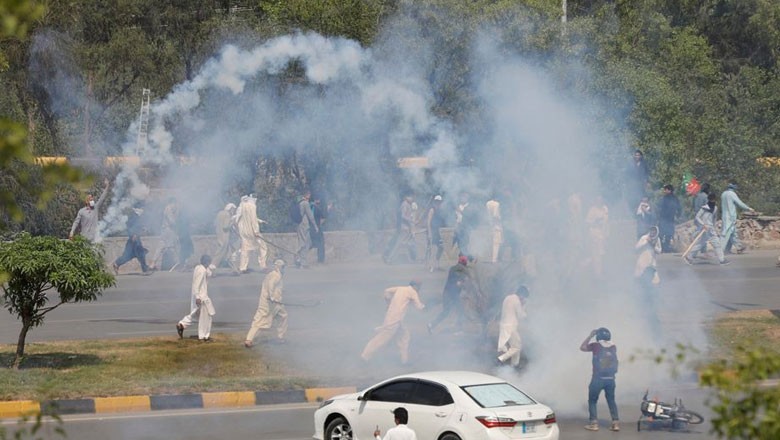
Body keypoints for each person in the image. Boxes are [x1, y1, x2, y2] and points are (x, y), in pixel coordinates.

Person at [360, 281, 425, 365]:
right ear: (415, 286)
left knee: (404, 336)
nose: (419, 289)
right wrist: (427, 307)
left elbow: (386, 291)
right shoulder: (412, 292)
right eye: (419, 286)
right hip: (395, 320)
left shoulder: (401, 288)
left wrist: (388, 303)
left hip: (395, 318)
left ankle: (404, 360)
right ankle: (364, 356)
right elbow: (419, 307)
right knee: (382, 338)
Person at [580, 327, 620, 432]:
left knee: (592, 401)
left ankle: (594, 423)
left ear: (598, 336)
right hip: (611, 379)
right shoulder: (613, 347)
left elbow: (582, 347)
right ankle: (615, 423)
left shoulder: (596, 346)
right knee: (611, 400)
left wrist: (590, 336)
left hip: (598, 379)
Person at [244, 259, 288, 347]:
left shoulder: (272, 274)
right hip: (269, 303)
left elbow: (275, 287)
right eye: (283, 267)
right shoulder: (276, 275)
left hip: (276, 303)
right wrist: (271, 297)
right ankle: (249, 339)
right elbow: (270, 285)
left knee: (283, 316)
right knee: (260, 320)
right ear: (278, 267)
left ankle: (280, 337)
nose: (284, 269)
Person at [175, 255, 216, 342]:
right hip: (202, 297)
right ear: (206, 262)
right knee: (206, 317)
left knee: (196, 315)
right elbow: (196, 285)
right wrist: (198, 297)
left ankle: (181, 324)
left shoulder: (199, 268)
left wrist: (211, 268)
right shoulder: (201, 270)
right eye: (209, 263)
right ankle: (204, 336)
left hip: (200, 296)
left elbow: (209, 274)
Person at [427, 256, 469, 333]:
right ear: (464, 262)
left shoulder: (453, 268)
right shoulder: (463, 270)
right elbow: (460, 283)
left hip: (446, 293)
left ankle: (431, 325)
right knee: (460, 311)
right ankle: (459, 329)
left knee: (446, 312)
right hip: (453, 294)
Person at [685, 193, 730, 265]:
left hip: (710, 229)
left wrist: (714, 227)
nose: (712, 201)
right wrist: (703, 224)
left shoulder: (715, 208)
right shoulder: (704, 208)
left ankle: (689, 257)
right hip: (705, 229)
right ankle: (722, 260)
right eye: (711, 199)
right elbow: (697, 217)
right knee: (716, 244)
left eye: (713, 199)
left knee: (701, 244)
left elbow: (714, 218)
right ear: (709, 199)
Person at [112, 202, 151, 275]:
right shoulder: (134, 216)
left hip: (135, 238)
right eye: (141, 208)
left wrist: (143, 229)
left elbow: (137, 226)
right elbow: (129, 226)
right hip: (134, 238)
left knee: (129, 255)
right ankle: (145, 269)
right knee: (140, 253)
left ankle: (117, 263)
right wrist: (133, 234)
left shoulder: (136, 216)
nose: (142, 210)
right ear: (137, 209)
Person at [496, 286, 529, 368]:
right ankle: (501, 359)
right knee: (517, 347)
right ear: (521, 295)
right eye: (524, 297)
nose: (523, 299)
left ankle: (514, 365)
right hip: (510, 327)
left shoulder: (507, 298)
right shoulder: (516, 301)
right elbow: (521, 315)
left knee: (516, 347)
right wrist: (524, 307)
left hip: (504, 326)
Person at [69, 178, 110, 242]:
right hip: (84, 238)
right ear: (86, 201)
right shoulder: (81, 211)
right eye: (90, 199)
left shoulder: (95, 208)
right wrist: (72, 231)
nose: (92, 200)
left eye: (92, 199)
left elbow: (102, 197)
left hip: (94, 238)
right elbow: (76, 222)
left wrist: (107, 186)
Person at [236, 194, 268, 273]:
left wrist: (260, 221)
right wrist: (256, 231)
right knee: (263, 247)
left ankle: (242, 267)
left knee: (245, 249)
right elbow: (253, 220)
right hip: (252, 232)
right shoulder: (252, 206)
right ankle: (263, 266)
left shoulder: (241, 207)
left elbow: (237, 219)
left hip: (243, 232)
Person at [383, 192, 417, 264]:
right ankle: (389, 259)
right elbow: (403, 216)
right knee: (399, 244)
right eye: (410, 196)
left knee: (408, 243)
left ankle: (411, 259)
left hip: (406, 228)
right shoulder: (405, 204)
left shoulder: (407, 204)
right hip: (404, 228)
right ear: (406, 197)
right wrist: (410, 220)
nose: (412, 198)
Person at [721, 183, 754, 254]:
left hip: (724, 216)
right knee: (728, 233)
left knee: (731, 232)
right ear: (733, 188)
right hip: (730, 216)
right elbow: (739, 203)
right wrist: (748, 208)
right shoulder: (732, 194)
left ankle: (732, 248)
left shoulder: (723, 194)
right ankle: (721, 250)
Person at [150, 197, 180, 271]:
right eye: (175, 203)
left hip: (168, 230)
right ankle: (179, 262)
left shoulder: (171, 209)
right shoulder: (168, 209)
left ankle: (153, 263)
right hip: (168, 230)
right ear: (172, 202)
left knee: (163, 246)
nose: (176, 205)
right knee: (173, 246)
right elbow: (172, 221)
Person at [211, 203, 240, 274]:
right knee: (219, 254)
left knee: (229, 254)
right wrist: (232, 222)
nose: (233, 211)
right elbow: (226, 226)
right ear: (231, 209)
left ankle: (234, 269)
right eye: (233, 210)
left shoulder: (219, 213)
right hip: (225, 237)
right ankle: (211, 269)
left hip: (219, 236)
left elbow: (215, 224)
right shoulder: (227, 215)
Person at [585, 196, 609, 278]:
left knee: (603, 254)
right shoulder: (592, 210)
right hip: (595, 234)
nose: (600, 202)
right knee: (596, 254)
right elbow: (587, 223)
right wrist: (595, 221)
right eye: (598, 200)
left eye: (601, 200)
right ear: (596, 201)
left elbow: (607, 222)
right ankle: (597, 274)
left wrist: (607, 234)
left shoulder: (605, 209)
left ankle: (601, 271)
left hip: (603, 234)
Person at [295, 190, 318, 268]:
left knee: (304, 242)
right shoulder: (305, 203)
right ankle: (301, 261)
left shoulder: (299, 202)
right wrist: (315, 226)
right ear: (307, 195)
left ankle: (299, 259)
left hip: (299, 225)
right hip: (304, 225)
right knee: (305, 243)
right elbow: (310, 215)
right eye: (309, 194)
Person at [656, 184, 681, 253]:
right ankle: (666, 247)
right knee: (669, 234)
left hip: (664, 218)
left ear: (669, 190)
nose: (664, 191)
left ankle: (663, 248)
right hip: (670, 219)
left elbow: (659, 207)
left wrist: (658, 217)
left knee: (662, 234)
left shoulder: (665, 198)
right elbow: (679, 208)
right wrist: (678, 215)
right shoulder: (675, 198)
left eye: (665, 189)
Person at [425, 195, 445, 272]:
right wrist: (429, 233)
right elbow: (428, 222)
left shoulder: (440, 210)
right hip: (432, 231)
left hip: (437, 231)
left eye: (439, 202)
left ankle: (437, 264)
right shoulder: (432, 210)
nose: (438, 203)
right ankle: (431, 266)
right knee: (432, 249)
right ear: (435, 202)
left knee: (441, 247)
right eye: (437, 201)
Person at [453, 191, 477, 257]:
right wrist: (455, 225)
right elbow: (456, 217)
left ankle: (468, 258)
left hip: (466, 228)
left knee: (464, 244)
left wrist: (460, 211)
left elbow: (469, 216)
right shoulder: (459, 206)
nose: (462, 198)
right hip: (458, 227)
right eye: (462, 197)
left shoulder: (470, 207)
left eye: (464, 197)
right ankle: (466, 258)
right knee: (459, 244)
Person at [310, 194, 328, 264]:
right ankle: (320, 260)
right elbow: (323, 218)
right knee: (321, 244)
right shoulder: (317, 208)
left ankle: (300, 258)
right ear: (317, 200)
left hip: (310, 228)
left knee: (309, 244)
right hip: (317, 228)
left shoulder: (309, 207)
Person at [486, 193, 502, 263]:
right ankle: (494, 259)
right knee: (496, 243)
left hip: (490, 225)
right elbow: (495, 216)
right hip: (496, 225)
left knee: (491, 242)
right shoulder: (497, 204)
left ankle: (491, 258)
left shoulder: (488, 203)